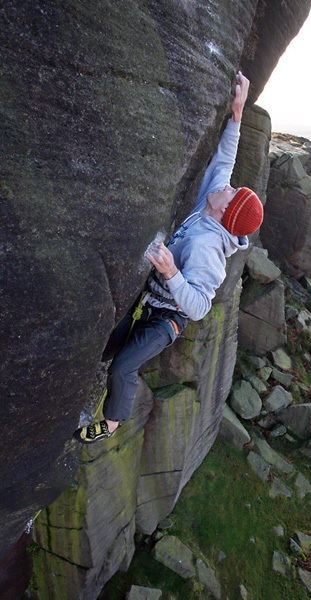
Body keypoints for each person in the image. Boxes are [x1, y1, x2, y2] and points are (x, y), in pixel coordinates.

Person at [75, 71, 264, 444]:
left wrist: (172, 271)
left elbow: (198, 307)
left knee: (124, 366)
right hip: (150, 299)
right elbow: (225, 159)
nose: (225, 186)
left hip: (168, 319)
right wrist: (237, 113)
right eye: (230, 188)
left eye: (230, 193)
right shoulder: (214, 202)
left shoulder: (210, 251)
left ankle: (110, 425)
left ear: (227, 215)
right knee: (106, 346)